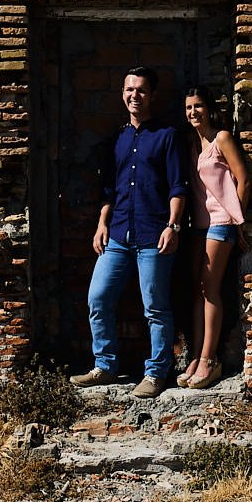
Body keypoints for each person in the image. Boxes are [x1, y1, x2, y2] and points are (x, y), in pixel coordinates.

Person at [70, 66, 189, 399]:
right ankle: (105, 366)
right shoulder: (118, 139)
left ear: (152, 95)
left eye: (141, 90)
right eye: (129, 89)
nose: (134, 95)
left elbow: (178, 187)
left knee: (155, 307)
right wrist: (102, 223)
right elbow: (110, 189)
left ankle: (156, 372)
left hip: (154, 235)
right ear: (122, 93)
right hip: (118, 234)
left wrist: (173, 226)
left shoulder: (167, 135)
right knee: (98, 298)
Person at [177, 86, 251, 390]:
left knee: (210, 289)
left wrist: (238, 223)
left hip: (221, 222)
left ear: (209, 109)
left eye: (198, 106)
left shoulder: (222, 138)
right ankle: (197, 356)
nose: (193, 112)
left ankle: (210, 359)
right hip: (199, 224)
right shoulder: (193, 144)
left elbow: (243, 180)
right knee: (198, 290)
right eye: (188, 108)